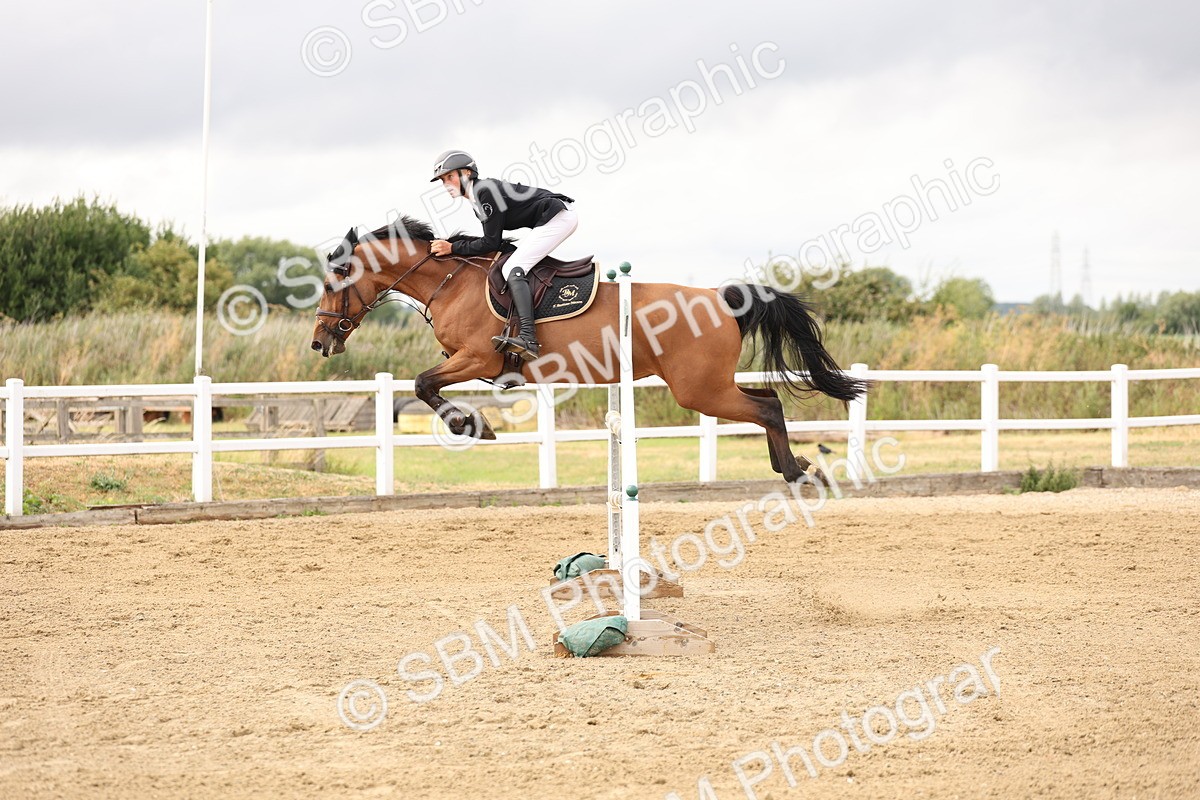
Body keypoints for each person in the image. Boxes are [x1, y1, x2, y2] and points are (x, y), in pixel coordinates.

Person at [428, 150, 577, 362]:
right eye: (443, 180)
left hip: (559, 217)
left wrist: (452, 248)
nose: (446, 184)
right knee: (511, 263)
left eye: (449, 177)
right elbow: (493, 241)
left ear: (467, 173)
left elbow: (490, 242)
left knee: (511, 269)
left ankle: (528, 338)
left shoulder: (483, 192)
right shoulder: (477, 195)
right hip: (553, 218)